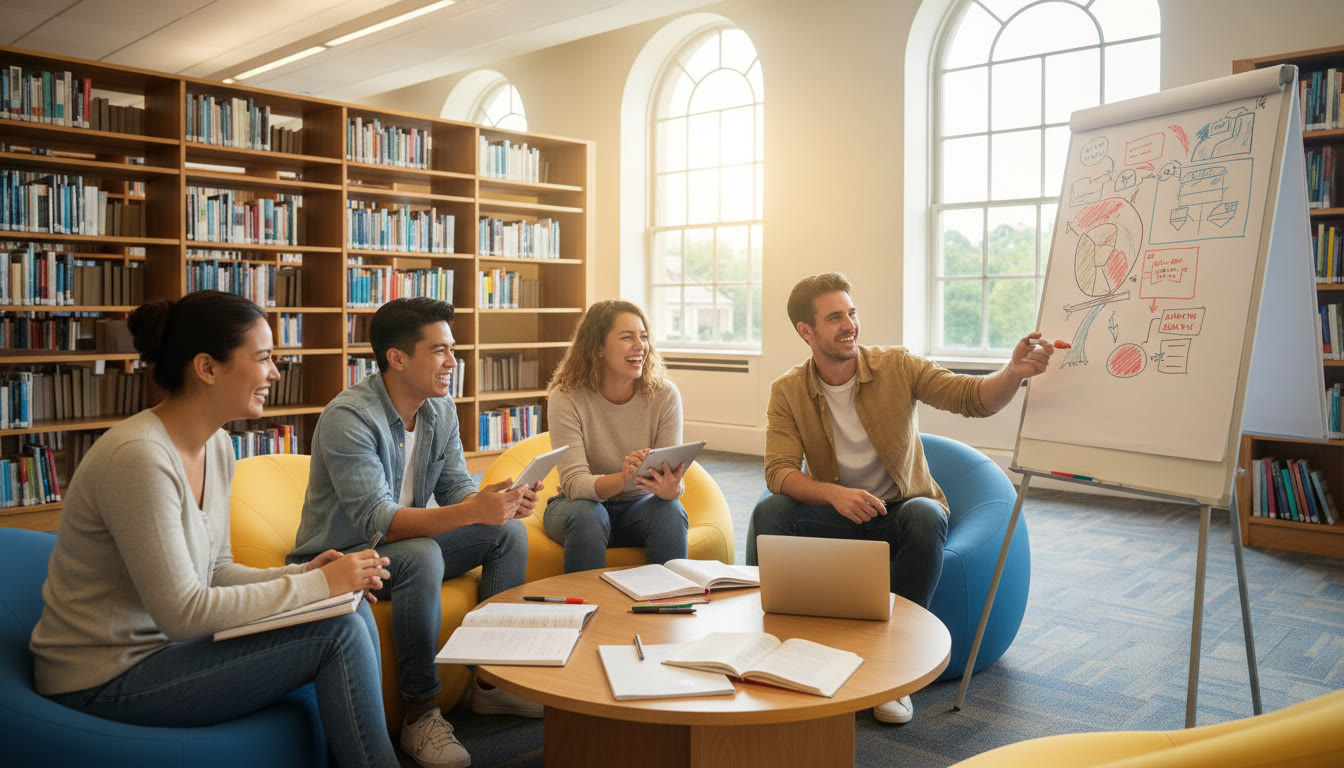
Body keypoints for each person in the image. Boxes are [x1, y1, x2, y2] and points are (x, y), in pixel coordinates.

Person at [29, 291, 397, 767]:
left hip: (166, 653)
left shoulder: (218, 445)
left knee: (347, 610)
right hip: (102, 680)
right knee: (337, 632)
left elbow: (217, 569)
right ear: (207, 367)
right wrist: (314, 585)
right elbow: (183, 612)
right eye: (263, 358)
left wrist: (310, 578)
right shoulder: (139, 458)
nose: (275, 374)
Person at [749, 272, 1054, 725]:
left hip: (898, 511)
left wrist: (1013, 372)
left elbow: (972, 398)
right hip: (837, 514)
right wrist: (834, 495)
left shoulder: (897, 366)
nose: (849, 324)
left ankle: (897, 672)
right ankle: (779, 652)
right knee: (769, 511)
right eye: (835, 317)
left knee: (926, 516)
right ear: (806, 331)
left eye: (851, 312)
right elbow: (779, 473)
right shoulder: (788, 390)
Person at [289, 296, 539, 768]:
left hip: (405, 546)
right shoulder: (349, 417)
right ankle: (421, 714)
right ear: (397, 358)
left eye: (453, 349)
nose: (453, 362)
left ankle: (494, 684)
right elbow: (378, 520)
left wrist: (498, 503)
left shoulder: (438, 411)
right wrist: (473, 513)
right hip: (344, 557)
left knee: (508, 534)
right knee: (423, 554)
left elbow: (456, 487)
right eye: (440, 350)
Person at [543, 299, 689, 573]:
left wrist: (671, 488)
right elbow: (574, 484)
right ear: (598, 348)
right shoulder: (565, 396)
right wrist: (624, 478)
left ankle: (667, 607)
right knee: (588, 514)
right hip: (577, 508)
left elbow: (674, 477)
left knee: (671, 512)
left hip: (638, 507)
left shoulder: (665, 395)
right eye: (627, 337)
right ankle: (586, 611)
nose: (640, 346)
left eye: (643, 337)